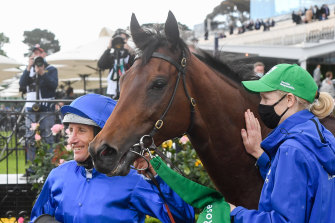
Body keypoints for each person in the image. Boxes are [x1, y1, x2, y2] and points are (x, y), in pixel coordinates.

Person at [30, 94, 194, 223]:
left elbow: (183, 218)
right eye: (70, 130)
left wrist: (157, 178)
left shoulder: (134, 180)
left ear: (104, 136)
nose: (72, 140)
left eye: (81, 130)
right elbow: (38, 218)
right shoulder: (58, 176)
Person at [229, 64, 335, 222]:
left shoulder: (291, 150)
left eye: (266, 98)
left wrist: (234, 213)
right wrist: (261, 155)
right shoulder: (323, 135)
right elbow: (305, 184)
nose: (261, 105)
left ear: (290, 99)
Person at [19, 44, 58, 177]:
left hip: (46, 108)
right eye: (34, 54)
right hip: (31, 107)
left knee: (48, 136)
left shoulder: (51, 69)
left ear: (44, 55)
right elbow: (22, 85)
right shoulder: (29, 70)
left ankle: (50, 168)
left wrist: (42, 73)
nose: (37, 56)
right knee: (30, 137)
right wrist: (28, 67)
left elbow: (54, 85)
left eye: (39, 54)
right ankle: (31, 168)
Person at [98, 29, 135, 99]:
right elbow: (101, 65)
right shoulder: (111, 56)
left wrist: (130, 50)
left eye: (123, 39)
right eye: (117, 39)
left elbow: (138, 64)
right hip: (112, 92)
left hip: (128, 91)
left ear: (127, 40)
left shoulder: (129, 55)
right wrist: (108, 48)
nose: (120, 41)